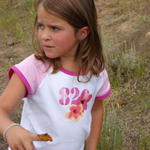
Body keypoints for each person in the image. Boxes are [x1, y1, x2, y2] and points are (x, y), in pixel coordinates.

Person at [0, 0, 112, 150]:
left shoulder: (95, 70)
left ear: (82, 33)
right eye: (41, 26)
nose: (44, 36)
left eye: (55, 28)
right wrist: (10, 129)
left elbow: (96, 109)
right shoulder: (34, 68)